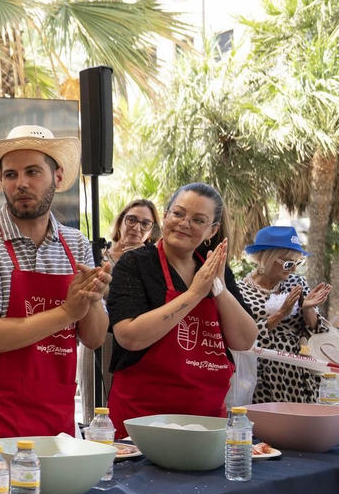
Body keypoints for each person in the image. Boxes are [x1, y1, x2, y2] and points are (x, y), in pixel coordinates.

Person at [0, 126, 110, 459]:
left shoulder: (76, 244)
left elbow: (93, 338)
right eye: (10, 174)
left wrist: (90, 300)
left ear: (58, 177)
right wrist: (66, 312)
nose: (21, 183)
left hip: (55, 424)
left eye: (33, 172)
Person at [106, 182, 258, 437]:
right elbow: (129, 336)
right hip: (140, 422)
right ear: (165, 216)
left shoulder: (216, 269)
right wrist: (195, 293)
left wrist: (218, 286)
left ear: (212, 230)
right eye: (178, 213)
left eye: (199, 220)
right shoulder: (135, 264)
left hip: (205, 423)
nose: (185, 223)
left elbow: (244, 340)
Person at [79, 198, 158, 421]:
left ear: (151, 230)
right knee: (93, 411)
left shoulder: (152, 263)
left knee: (125, 412)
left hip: (135, 342)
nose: (136, 227)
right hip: (99, 337)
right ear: (120, 221)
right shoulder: (97, 255)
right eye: (132, 219)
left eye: (145, 223)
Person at [236, 225, 331, 404]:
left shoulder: (297, 283)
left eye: (298, 263)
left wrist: (308, 309)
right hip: (261, 379)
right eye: (288, 263)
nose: (293, 269)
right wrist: (280, 314)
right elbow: (240, 338)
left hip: (299, 377)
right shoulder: (240, 291)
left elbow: (315, 331)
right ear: (265, 259)